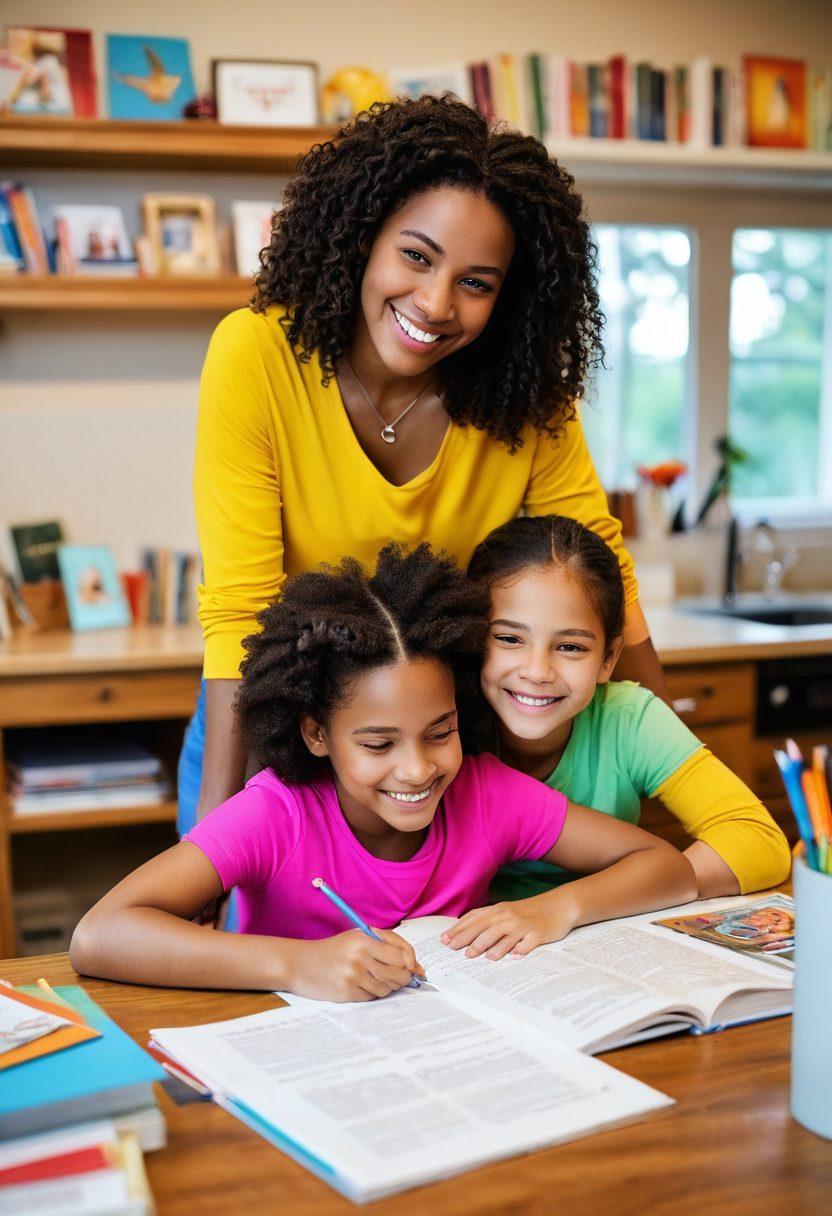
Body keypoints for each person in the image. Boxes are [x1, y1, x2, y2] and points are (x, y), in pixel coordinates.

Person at [184, 94, 669, 840]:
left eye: (476, 282)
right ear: (361, 238)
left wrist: (667, 776)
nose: (436, 303)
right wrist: (217, 835)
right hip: (279, 723)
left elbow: (607, 580)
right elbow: (239, 615)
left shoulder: (526, 397)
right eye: (416, 256)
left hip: (437, 750)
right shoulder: (256, 354)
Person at [71, 545, 696, 1001]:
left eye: (440, 732)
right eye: (377, 743)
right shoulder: (277, 814)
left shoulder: (487, 795)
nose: (417, 768)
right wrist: (298, 966)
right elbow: (99, 935)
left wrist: (556, 909)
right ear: (317, 734)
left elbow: (665, 866)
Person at [466, 515, 792, 902]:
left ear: (608, 659)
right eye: (508, 638)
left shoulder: (629, 719)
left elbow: (759, 840)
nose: (537, 672)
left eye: (570, 647)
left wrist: (586, 902)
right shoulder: (447, 725)